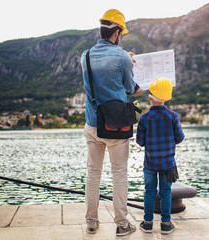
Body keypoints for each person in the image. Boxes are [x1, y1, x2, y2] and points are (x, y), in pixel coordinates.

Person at [80, 9, 143, 236]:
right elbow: (131, 90)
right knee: (119, 174)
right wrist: (132, 66)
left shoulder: (84, 56)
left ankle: (91, 222)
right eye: (121, 33)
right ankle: (122, 225)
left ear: (101, 30)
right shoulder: (122, 57)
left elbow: (103, 72)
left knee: (93, 174)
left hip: (92, 124)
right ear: (117, 32)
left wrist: (126, 57)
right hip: (116, 126)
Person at [136, 78, 185, 235]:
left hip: (150, 163)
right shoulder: (173, 116)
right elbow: (180, 138)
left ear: (150, 97)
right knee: (165, 193)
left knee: (149, 192)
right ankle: (165, 224)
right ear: (167, 98)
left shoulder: (144, 118)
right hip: (168, 164)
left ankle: (148, 223)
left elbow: (140, 142)